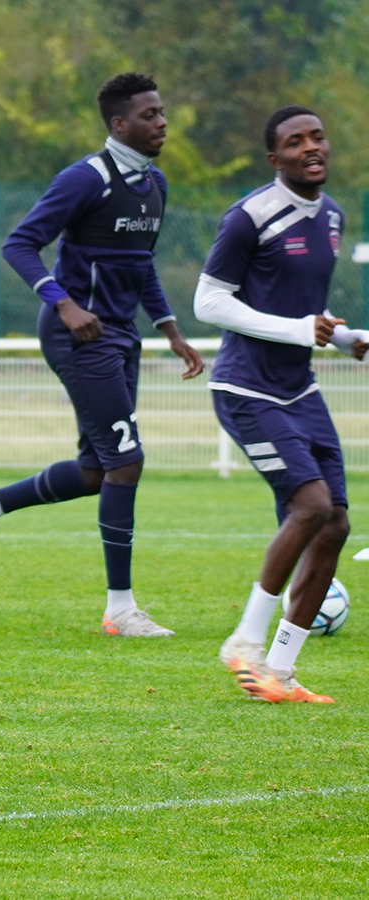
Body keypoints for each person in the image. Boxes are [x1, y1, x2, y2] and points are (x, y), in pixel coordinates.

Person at [0, 72, 204, 636]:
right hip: (80, 335)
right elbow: (19, 244)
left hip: (122, 335)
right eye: (150, 115)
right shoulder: (86, 178)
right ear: (119, 123)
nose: (162, 122)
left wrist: (170, 329)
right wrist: (64, 305)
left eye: (162, 112)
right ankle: (121, 610)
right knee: (126, 462)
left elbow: (140, 264)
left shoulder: (155, 184)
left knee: (96, 470)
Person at [196, 106, 365, 703]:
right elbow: (209, 302)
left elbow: (303, 308)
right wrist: (299, 330)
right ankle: (244, 642)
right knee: (310, 506)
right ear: (275, 159)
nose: (310, 147)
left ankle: (280, 671)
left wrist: (345, 339)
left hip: (300, 389)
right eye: (295, 142)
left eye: (318, 136)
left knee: (336, 523)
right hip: (246, 389)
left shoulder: (333, 216)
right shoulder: (249, 217)